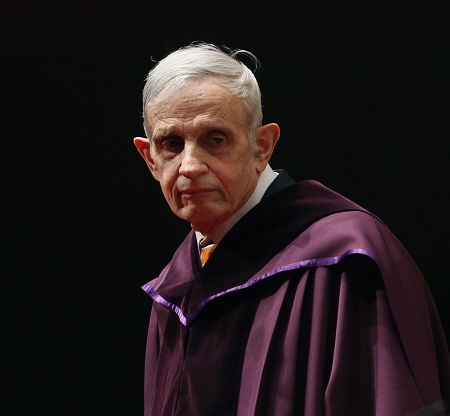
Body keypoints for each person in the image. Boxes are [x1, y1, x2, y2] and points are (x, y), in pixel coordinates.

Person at [133, 42, 450, 416]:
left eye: (215, 139)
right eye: (171, 143)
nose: (189, 166)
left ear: (262, 146)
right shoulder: (177, 289)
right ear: (149, 158)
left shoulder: (346, 261)